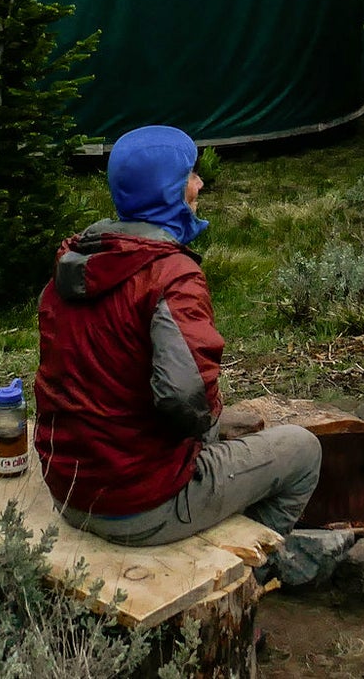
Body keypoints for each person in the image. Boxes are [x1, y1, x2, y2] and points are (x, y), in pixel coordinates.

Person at [35, 125, 321, 547]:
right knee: (303, 450)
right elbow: (186, 402)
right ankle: (258, 561)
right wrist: (208, 423)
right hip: (139, 507)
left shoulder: (76, 266)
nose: (200, 183)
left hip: (69, 489)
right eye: (191, 175)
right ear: (168, 191)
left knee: (223, 421)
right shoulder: (171, 276)